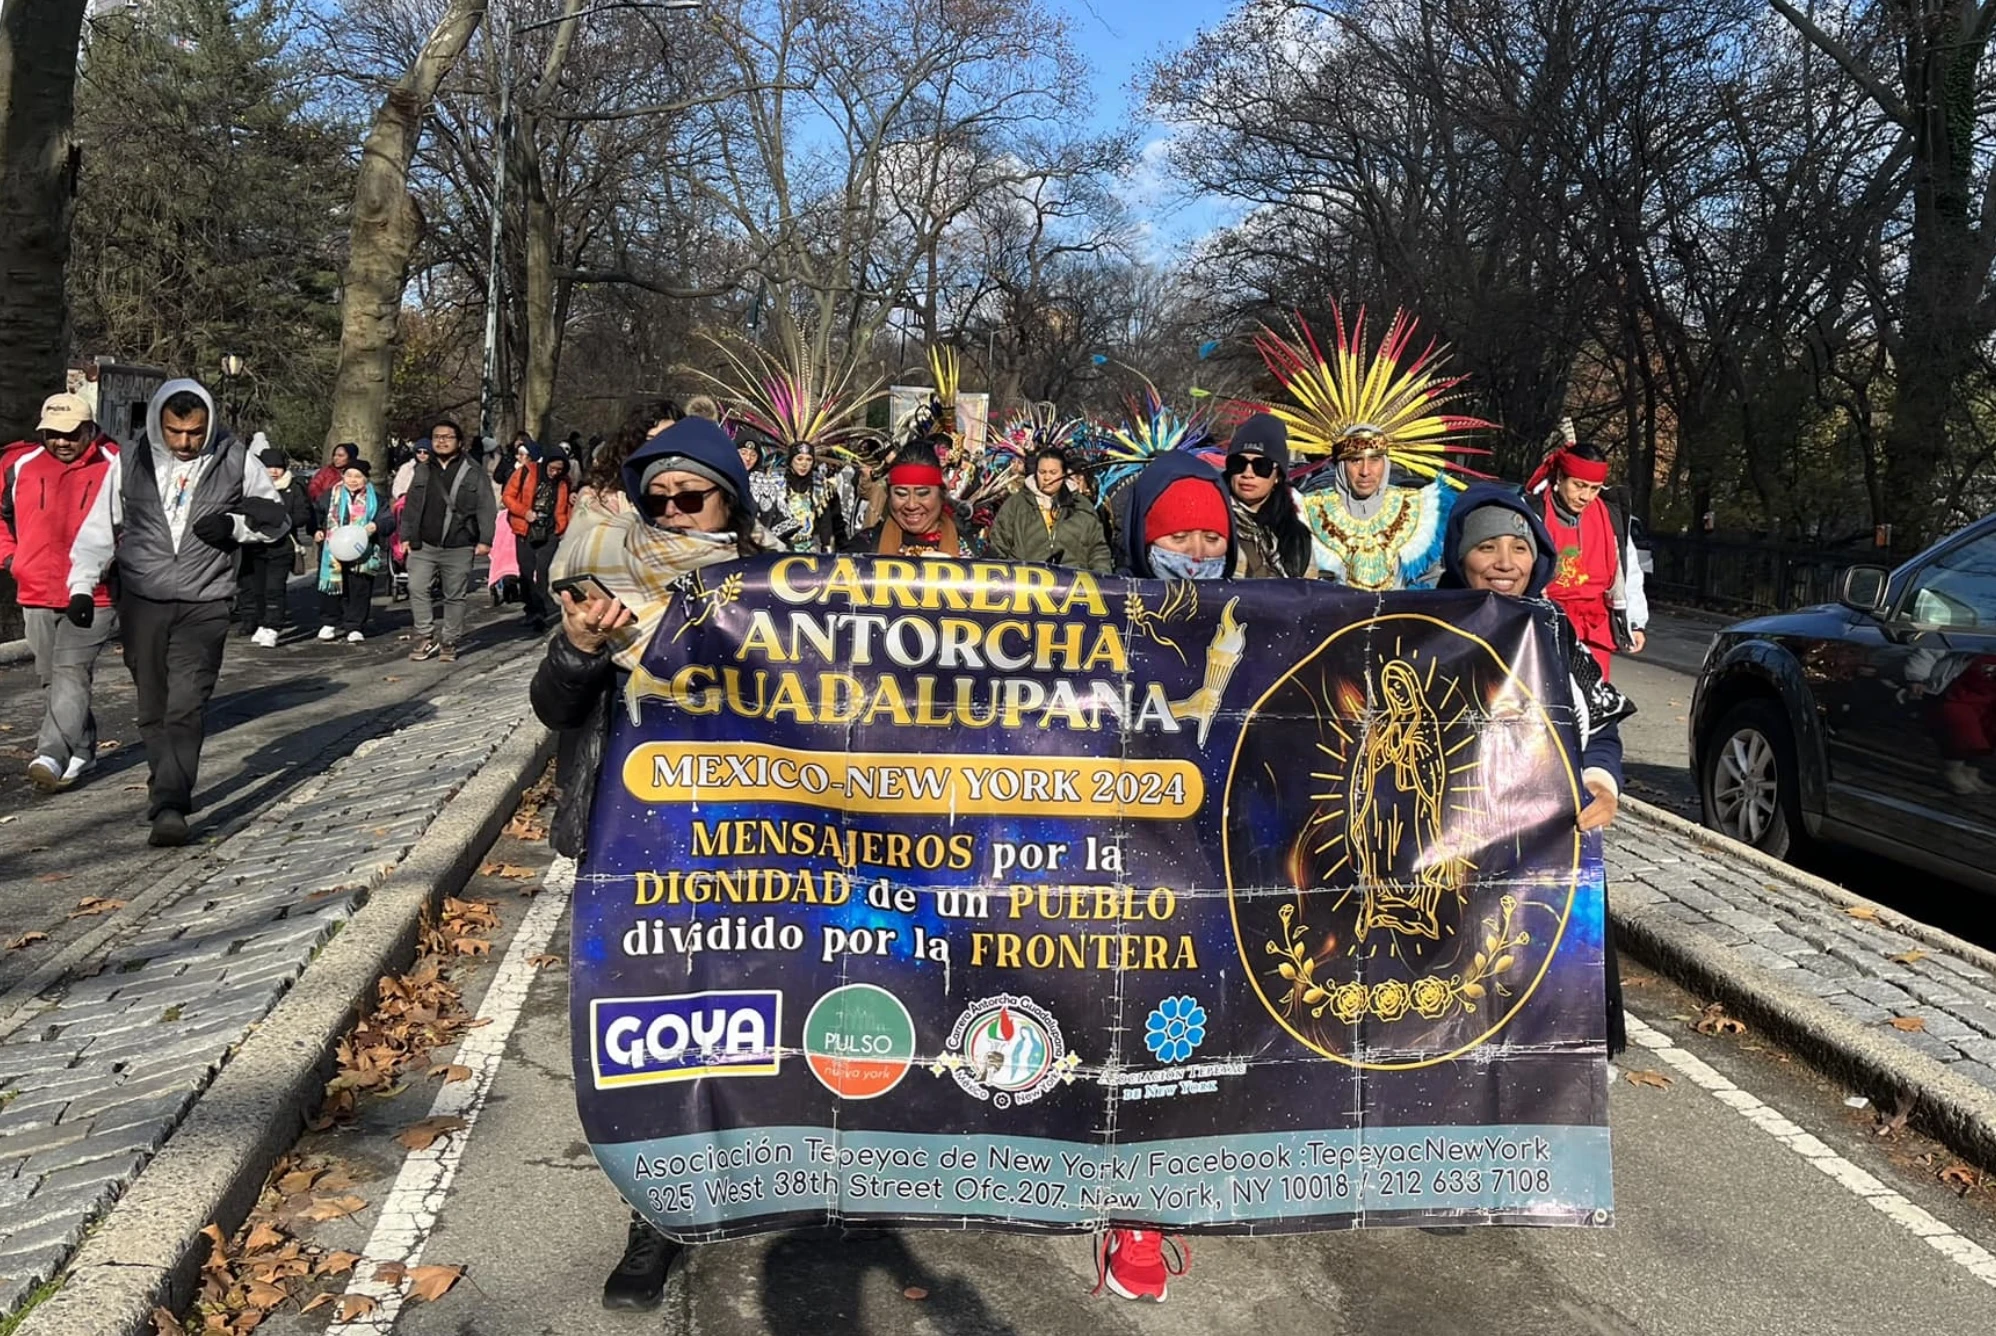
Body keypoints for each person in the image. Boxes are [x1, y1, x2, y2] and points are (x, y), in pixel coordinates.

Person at [533, 416, 760, 1311]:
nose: (671, 511)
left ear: (729, 500)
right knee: (660, 1024)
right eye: (656, 497)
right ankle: (657, 1219)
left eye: (690, 497)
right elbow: (553, 709)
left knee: (751, 1013)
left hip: (755, 838)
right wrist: (583, 648)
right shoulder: (603, 576)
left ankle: (772, 1176)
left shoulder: (779, 582)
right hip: (640, 843)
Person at [1437, 483, 1632, 1053]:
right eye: (1487, 548)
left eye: (1518, 548)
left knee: (1546, 1017)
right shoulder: (1420, 622)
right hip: (1447, 855)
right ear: (1459, 555)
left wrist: (1599, 780)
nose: (1504, 564)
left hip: (1541, 853)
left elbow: (1600, 725)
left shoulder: (1554, 629)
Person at [66, 379, 290, 846]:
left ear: (208, 425)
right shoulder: (129, 461)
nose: (185, 443)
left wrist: (233, 525)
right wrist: (82, 585)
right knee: (153, 705)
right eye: (175, 432)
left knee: (187, 703)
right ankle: (163, 779)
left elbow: (277, 519)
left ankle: (171, 802)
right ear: (157, 425)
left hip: (204, 599)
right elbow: (99, 529)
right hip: (142, 598)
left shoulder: (234, 457)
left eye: (194, 433)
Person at [1255, 307, 1488, 590]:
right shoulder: (1306, 512)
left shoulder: (1420, 511)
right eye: (1354, 460)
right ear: (1340, 465)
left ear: (1387, 462)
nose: (1366, 471)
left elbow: (1437, 580)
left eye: (1375, 459)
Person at [0, 393, 120, 790]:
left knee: (71, 672)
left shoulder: (116, 464)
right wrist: (10, 558)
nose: (62, 442)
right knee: (52, 678)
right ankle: (83, 750)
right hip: (34, 588)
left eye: (71, 434)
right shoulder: (20, 466)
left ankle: (50, 755)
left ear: (90, 429)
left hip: (94, 593)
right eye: (52, 434)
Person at [1527, 432, 1649, 678]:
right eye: (1579, 486)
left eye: (1594, 488)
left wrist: (1634, 622)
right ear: (1560, 477)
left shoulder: (1609, 516)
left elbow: (1628, 570)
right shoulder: (1534, 512)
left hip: (1595, 626)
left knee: (1593, 703)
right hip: (1546, 622)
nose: (1586, 496)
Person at [402, 418, 495, 663]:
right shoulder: (422, 469)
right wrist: (405, 535)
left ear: (459, 442)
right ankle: (425, 635)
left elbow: (486, 506)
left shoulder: (473, 471)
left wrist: (485, 539)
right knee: (417, 587)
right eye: (437, 437)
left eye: (447, 437)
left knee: (454, 595)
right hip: (424, 543)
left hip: (459, 543)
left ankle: (450, 640)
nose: (441, 441)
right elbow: (411, 505)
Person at [564, 399, 678, 557]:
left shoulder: (695, 499)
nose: (662, 448)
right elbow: (573, 561)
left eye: (671, 439)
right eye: (651, 440)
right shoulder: (599, 499)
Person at [1112, 450, 1237, 582]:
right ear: (1143, 538)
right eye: (1179, 537)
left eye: (1212, 538)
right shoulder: (1110, 598)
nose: (1197, 553)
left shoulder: (1250, 599)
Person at [984, 446, 1112, 572]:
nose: (1047, 478)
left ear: (1063, 473)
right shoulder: (1015, 505)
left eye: (1053, 472)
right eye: (1042, 472)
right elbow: (998, 548)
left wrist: (1102, 582)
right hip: (1026, 587)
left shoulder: (1081, 506)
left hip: (1073, 587)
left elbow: (1098, 551)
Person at [844, 442, 979, 557]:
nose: (911, 505)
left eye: (922, 494)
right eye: (901, 494)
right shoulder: (861, 550)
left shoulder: (974, 554)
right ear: (889, 495)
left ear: (941, 495)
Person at [1222, 413, 1316, 579]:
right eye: (1238, 464)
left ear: (1278, 476)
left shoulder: (1296, 537)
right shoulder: (1214, 526)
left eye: (1261, 466)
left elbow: (1309, 595)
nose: (1247, 473)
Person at [239, 447, 316, 647]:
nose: (273, 471)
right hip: (255, 545)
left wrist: (283, 521)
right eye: (268, 467)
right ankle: (262, 623)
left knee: (275, 588)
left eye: (277, 467)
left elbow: (303, 512)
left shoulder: (294, 486)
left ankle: (273, 626)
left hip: (283, 544)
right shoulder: (250, 487)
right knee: (257, 589)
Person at [314, 459, 388, 642]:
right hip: (332, 551)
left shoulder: (376, 499)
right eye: (349, 475)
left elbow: (388, 520)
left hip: (362, 551)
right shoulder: (330, 495)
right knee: (332, 588)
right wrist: (316, 530)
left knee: (359, 588)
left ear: (366, 479)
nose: (352, 480)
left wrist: (376, 525)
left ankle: (354, 625)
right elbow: (316, 515)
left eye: (358, 476)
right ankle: (329, 622)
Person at [503, 442, 574, 632]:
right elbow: (508, 497)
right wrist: (524, 512)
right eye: (552, 468)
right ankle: (531, 609)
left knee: (544, 571)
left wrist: (566, 520)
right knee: (526, 571)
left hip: (550, 530)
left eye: (559, 470)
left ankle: (540, 612)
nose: (555, 473)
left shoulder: (564, 481)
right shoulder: (526, 472)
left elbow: (565, 505)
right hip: (525, 528)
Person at [762, 442, 850, 553]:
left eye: (809, 460)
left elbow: (827, 522)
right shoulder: (773, 482)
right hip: (776, 549)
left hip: (810, 552)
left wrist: (828, 548)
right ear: (791, 460)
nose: (804, 464)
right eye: (799, 459)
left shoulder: (821, 484)